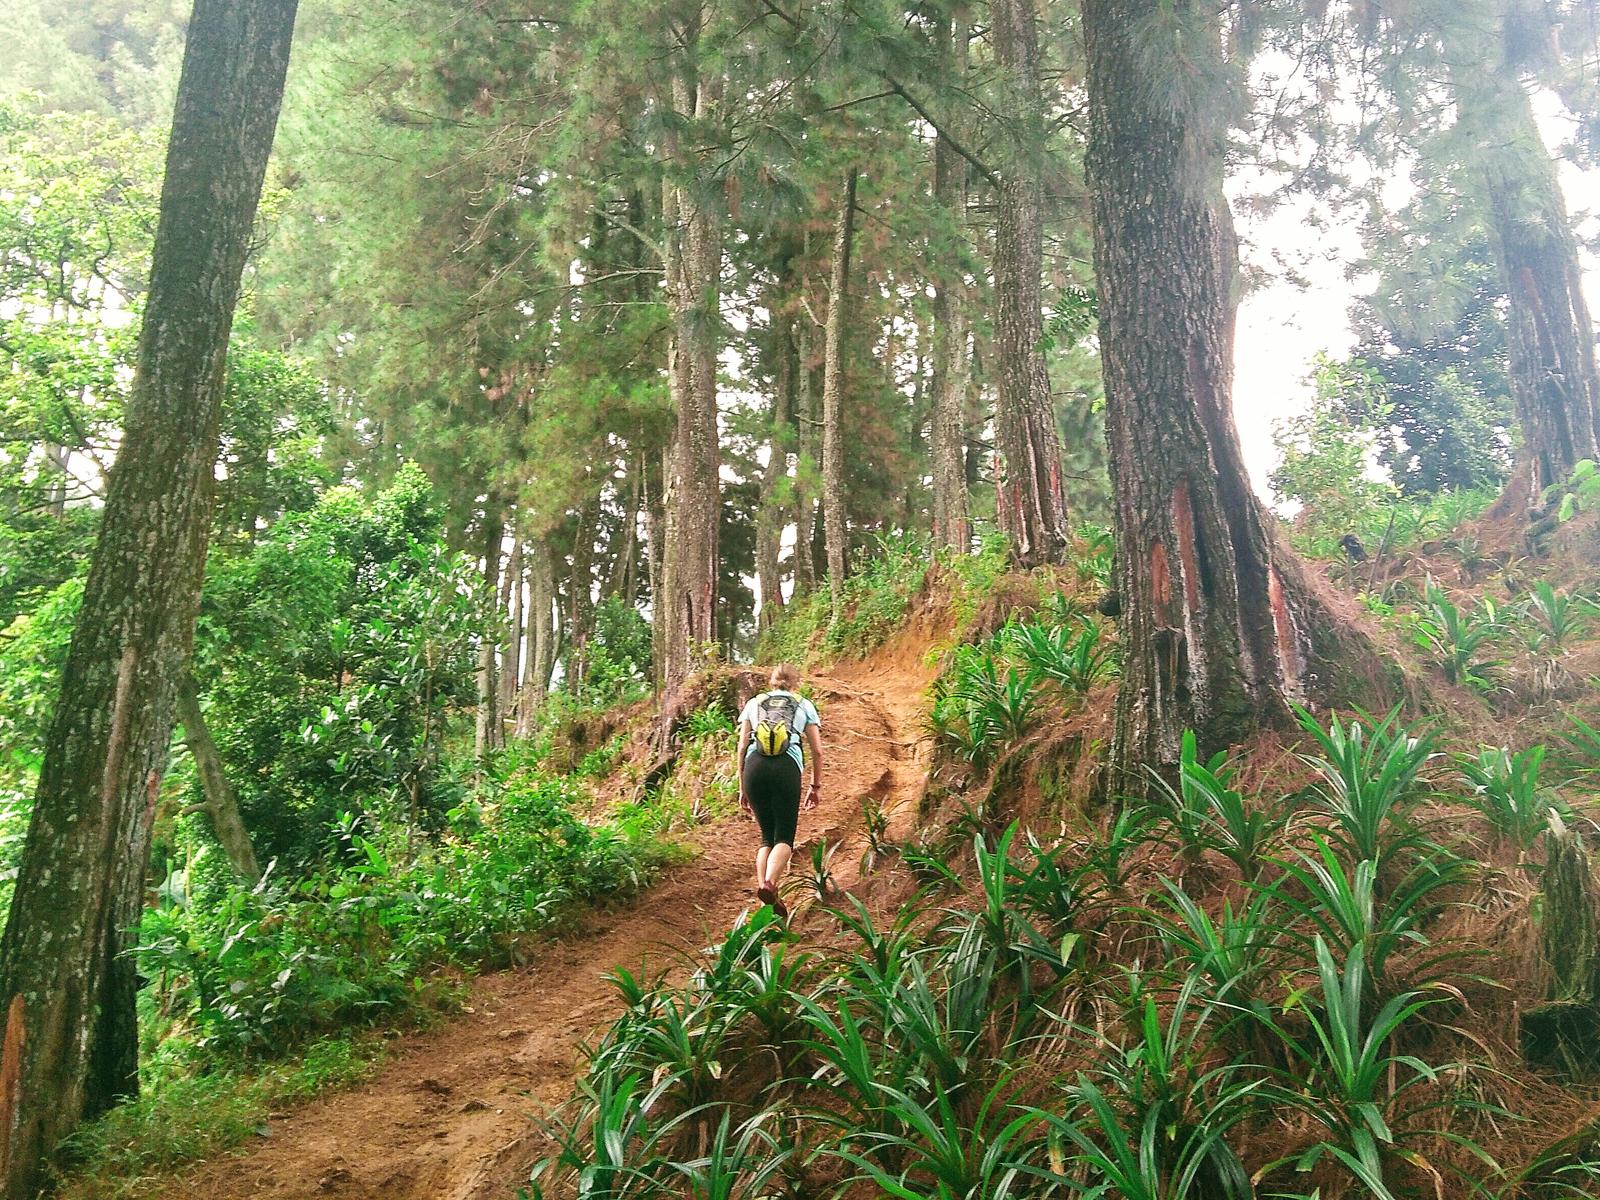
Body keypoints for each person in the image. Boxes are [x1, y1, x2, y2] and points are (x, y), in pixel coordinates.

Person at [736, 664, 822, 918]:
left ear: (771, 682)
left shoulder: (754, 703)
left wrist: (742, 787)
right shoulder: (803, 704)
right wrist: (815, 786)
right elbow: (817, 750)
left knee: (766, 837)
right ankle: (770, 884)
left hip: (754, 767)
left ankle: (767, 902)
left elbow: (741, 747)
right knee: (784, 837)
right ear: (795, 682)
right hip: (786, 766)